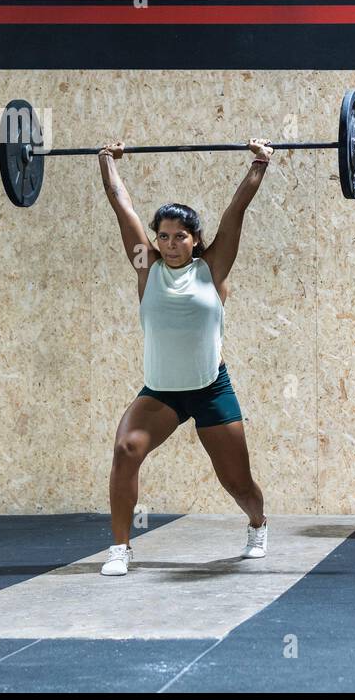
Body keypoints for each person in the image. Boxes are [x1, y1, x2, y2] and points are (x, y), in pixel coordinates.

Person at [96, 138, 274, 576]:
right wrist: (106, 163)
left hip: (211, 390)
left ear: (196, 240)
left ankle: (258, 523)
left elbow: (235, 212)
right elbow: (123, 207)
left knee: (237, 482)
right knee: (125, 448)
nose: (171, 243)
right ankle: (121, 548)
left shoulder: (212, 269)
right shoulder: (146, 267)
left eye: (181, 236)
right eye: (164, 236)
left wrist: (259, 163)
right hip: (161, 392)